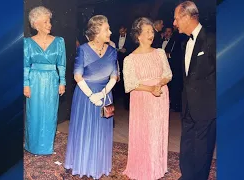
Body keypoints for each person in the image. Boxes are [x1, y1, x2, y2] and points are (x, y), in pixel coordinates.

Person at [64, 15, 117, 179]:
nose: (110, 31)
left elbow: (114, 77)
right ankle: (83, 164)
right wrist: (91, 95)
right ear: (96, 31)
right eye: (106, 29)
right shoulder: (83, 50)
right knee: (85, 130)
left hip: (106, 95)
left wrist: (102, 93)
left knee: (102, 131)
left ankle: (99, 164)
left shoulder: (113, 51)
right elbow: (77, 76)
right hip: (85, 96)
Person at [122, 17, 172, 180]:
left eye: (152, 31)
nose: (151, 34)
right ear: (138, 36)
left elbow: (168, 74)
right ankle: (142, 167)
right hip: (142, 98)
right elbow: (130, 84)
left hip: (160, 97)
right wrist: (151, 88)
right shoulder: (129, 59)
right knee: (144, 133)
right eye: (147, 31)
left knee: (157, 132)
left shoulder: (160, 53)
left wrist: (159, 84)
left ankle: (157, 167)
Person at [173, 1, 216, 180]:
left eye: (176, 19)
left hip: (207, 107)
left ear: (187, 17)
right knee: (187, 146)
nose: (174, 23)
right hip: (188, 106)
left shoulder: (212, 40)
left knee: (202, 150)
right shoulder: (184, 44)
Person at [23, 6, 66, 155]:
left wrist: (62, 82)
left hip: (51, 80)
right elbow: (25, 66)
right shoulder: (27, 43)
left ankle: (46, 146)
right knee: (33, 113)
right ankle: (32, 145)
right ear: (36, 24)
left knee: (50, 112)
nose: (50, 25)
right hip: (34, 80)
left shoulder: (59, 41)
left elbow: (61, 64)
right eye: (46, 22)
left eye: (49, 22)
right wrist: (26, 84)